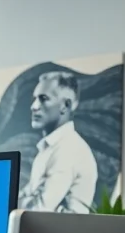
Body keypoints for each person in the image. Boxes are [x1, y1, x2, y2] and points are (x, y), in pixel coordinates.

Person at [17, 71, 98, 213]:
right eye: (34, 98)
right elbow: (24, 197)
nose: (34, 106)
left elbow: (38, 210)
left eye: (43, 99)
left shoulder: (69, 149)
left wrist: (17, 202)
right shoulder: (51, 147)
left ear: (65, 106)